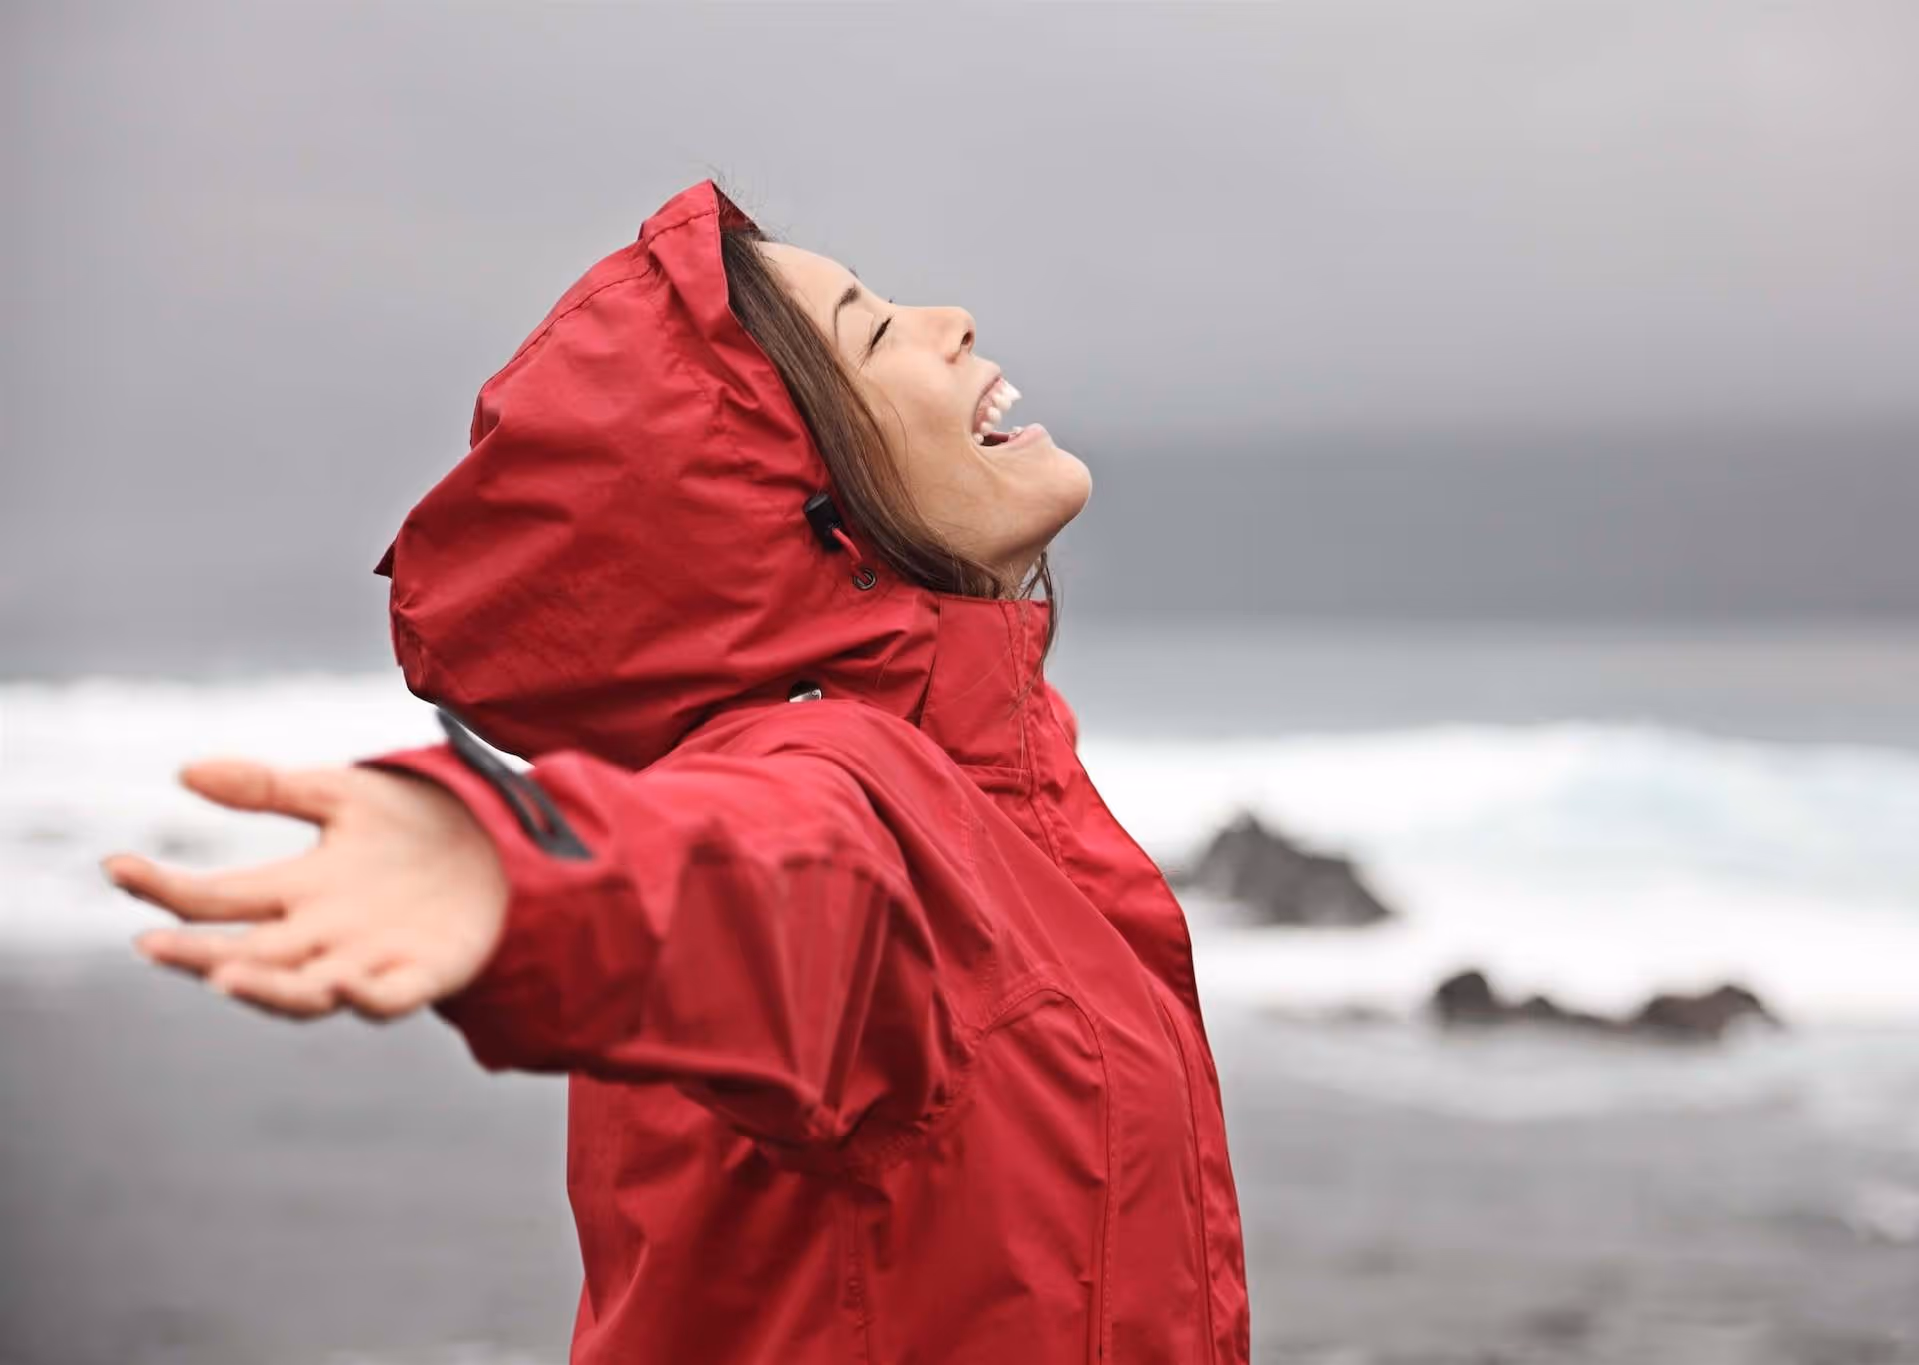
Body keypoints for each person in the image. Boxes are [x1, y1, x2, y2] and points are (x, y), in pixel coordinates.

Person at [100, 178, 1251, 1363]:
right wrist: (520, 878)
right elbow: (753, 884)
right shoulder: (830, 775)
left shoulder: (985, 780)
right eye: (872, 329)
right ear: (816, 512)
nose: (949, 319)